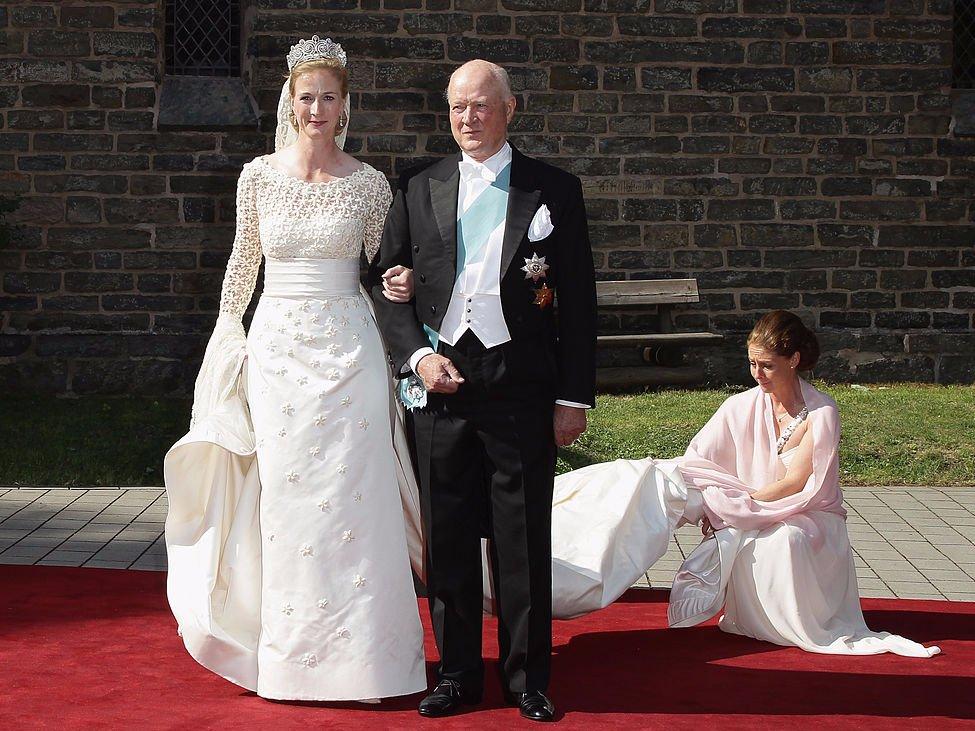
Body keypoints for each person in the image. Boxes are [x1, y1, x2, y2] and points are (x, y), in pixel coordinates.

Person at [163, 36, 428, 702]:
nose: (317, 108)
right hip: (277, 350)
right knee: (286, 500)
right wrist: (229, 337)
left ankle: (369, 659)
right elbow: (240, 264)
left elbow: (382, 263)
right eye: (306, 96)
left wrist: (402, 284)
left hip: (348, 351)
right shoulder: (257, 175)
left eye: (328, 97)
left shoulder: (368, 185)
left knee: (353, 496)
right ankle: (291, 658)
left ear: (345, 107)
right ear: (291, 100)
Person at [368, 59, 597, 721]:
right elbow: (387, 283)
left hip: (521, 389)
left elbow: (577, 302)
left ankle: (527, 678)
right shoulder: (415, 186)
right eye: (457, 108)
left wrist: (572, 397)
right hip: (439, 392)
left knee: (521, 540)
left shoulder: (553, 190)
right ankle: (459, 675)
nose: (468, 119)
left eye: (480, 106)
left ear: (509, 108)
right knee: (446, 540)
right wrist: (414, 356)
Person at [544, 310, 940, 658]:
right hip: (751, 501)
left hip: (807, 512)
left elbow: (796, 483)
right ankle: (568, 552)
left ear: (794, 359)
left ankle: (786, 623)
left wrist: (732, 505)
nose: (757, 374)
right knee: (648, 479)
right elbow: (697, 460)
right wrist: (720, 500)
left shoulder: (821, 412)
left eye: (766, 365)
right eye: (752, 364)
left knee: (784, 538)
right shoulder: (740, 405)